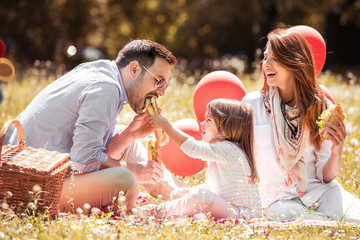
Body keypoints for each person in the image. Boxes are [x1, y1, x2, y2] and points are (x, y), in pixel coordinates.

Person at [4, 39, 185, 213]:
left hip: (49, 171)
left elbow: (94, 154)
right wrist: (134, 170)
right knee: (125, 179)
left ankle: (186, 196)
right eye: (159, 81)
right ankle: (188, 201)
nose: (161, 92)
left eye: (165, 85)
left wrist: (131, 133)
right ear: (134, 69)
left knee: (129, 141)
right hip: (34, 187)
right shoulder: (105, 89)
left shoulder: (104, 73)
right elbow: (85, 159)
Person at [242, 27, 360, 222]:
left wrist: (337, 149)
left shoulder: (322, 106)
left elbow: (326, 177)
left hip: (320, 192)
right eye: (265, 58)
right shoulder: (252, 105)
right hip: (278, 200)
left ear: (294, 63)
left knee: (355, 219)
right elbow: (240, 159)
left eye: (274, 59)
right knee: (308, 221)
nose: (266, 65)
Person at [142, 99, 261, 220]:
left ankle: (160, 211)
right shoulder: (223, 152)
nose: (202, 124)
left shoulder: (229, 149)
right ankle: (181, 216)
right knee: (197, 200)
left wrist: (166, 126)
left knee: (201, 197)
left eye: (208, 120)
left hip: (243, 215)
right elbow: (214, 187)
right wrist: (189, 191)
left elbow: (192, 148)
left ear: (226, 129)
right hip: (230, 210)